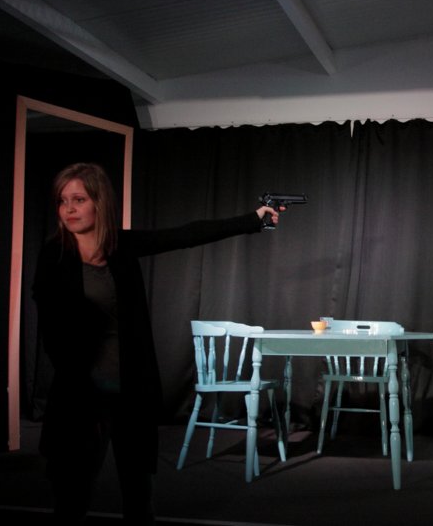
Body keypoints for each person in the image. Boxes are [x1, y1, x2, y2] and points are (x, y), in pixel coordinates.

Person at [32, 162, 283, 524]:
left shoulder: (121, 247)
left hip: (130, 390)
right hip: (80, 395)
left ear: (99, 203)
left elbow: (186, 235)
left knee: (137, 495)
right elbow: (52, 330)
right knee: (72, 495)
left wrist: (252, 219)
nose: (69, 209)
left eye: (79, 199)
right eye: (62, 201)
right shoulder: (54, 257)